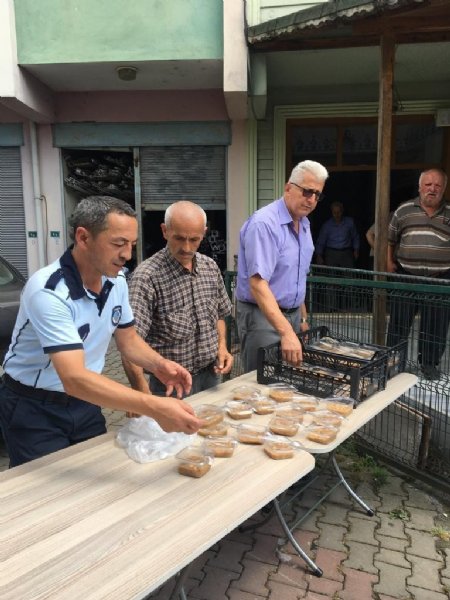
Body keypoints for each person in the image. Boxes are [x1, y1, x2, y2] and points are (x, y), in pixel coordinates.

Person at [0, 196, 202, 467]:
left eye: (131, 245)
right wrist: (152, 405)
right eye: (118, 244)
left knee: (94, 474)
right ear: (83, 237)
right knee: (46, 495)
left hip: (86, 400)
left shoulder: (116, 280)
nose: (127, 255)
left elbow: (128, 339)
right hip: (34, 405)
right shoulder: (48, 291)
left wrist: (159, 365)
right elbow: (73, 377)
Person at [122, 201, 233, 399]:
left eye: (194, 239)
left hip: (211, 377)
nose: (187, 247)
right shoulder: (147, 277)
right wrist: (140, 390)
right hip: (170, 385)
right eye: (179, 238)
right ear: (165, 231)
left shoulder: (210, 268)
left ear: (204, 233)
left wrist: (222, 347)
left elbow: (218, 315)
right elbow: (130, 342)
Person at [235, 159, 329, 373]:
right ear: (288, 187)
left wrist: (302, 318)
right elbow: (258, 284)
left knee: (286, 381)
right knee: (259, 382)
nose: (312, 199)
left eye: (318, 195)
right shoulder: (264, 224)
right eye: (307, 191)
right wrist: (287, 332)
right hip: (261, 315)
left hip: (293, 315)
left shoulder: (304, 223)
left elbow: (296, 276)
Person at [386, 168, 450, 380]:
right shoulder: (404, 210)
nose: (432, 189)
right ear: (420, 187)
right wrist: (389, 261)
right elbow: (391, 239)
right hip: (406, 274)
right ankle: (395, 362)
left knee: (436, 324)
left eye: (437, 185)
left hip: (439, 278)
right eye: (428, 184)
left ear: (444, 188)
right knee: (399, 321)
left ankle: (429, 364)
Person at [315, 201, 359, 268]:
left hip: (346, 253)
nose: (337, 214)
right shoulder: (327, 225)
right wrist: (318, 255)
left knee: (349, 275)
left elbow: (355, 237)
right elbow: (321, 241)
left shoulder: (349, 222)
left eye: (339, 212)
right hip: (331, 253)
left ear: (342, 211)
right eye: (334, 213)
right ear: (331, 212)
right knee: (331, 276)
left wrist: (356, 250)